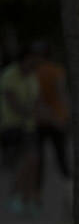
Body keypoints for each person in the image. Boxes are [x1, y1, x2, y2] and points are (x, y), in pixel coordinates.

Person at [1, 47, 41, 214]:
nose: (33, 63)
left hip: (29, 126)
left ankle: (27, 197)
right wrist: (30, 111)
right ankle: (17, 196)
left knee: (32, 161)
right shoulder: (9, 75)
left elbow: (37, 100)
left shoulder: (32, 77)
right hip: (12, 126)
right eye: (30, 59)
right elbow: (12, 101)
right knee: (24, 162)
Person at [31, 40, 70, 188]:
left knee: (39, 155)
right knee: (61, 154)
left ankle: (36, 189)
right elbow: (62, 94)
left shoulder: (34, 73)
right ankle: (68, 185)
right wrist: (66, 115)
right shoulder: (57, 70)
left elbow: (36, 97)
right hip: (57, 117)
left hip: (40, 118)